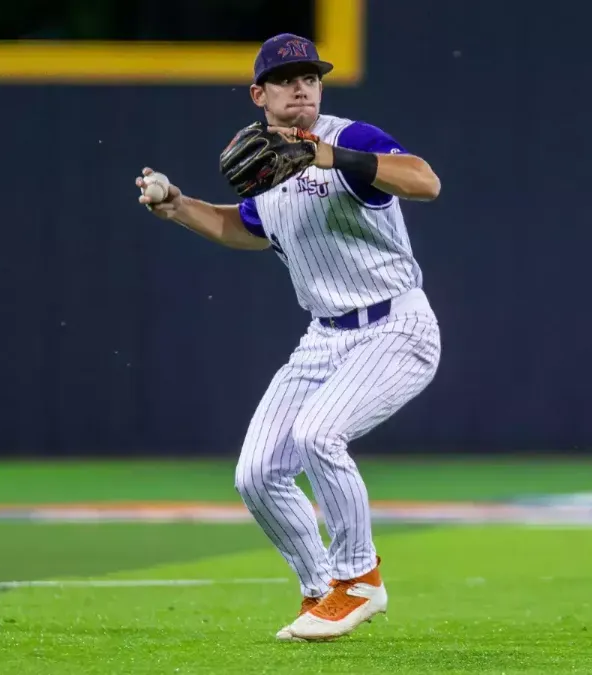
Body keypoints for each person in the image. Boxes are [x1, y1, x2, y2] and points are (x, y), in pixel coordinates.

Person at [135, 32, 442, 642]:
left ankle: (359, 581)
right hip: (324, 338)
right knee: (257, 474)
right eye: (286, 78)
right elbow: (243, 226)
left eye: (311, 76)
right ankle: (320, 586)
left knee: (319, 433)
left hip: (395, 325)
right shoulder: (263, 162)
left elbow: (424, 181)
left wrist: (330, 156)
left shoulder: (348, 137)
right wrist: (175, 205)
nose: (302, 86)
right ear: (259, 93)